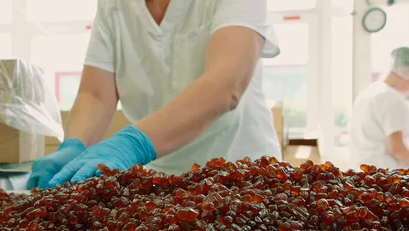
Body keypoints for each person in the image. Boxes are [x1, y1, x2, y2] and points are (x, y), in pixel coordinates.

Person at [27, 0, 282, 190]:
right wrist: (75, 145)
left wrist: (132, 143)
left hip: (242, 178)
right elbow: (96, 94)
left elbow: (226, 84)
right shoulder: (114, 5)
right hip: (159, 181)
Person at [349, 47, 409, 170]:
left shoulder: (369, 92)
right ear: (406, 71)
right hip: (383, 174)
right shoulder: (392, 98)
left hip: (360, 171)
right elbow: (396, 147)